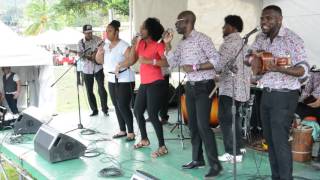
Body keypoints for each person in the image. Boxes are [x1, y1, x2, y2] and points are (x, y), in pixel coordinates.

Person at [248, 5, 309, 180]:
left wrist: (280, 69)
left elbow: (303, 70)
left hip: (284, 95)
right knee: (270, 140)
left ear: (279, 19)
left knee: (280, 141)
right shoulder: (261, 38)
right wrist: (254, 60)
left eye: (269, 18)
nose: (264, 22)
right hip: (265, 93)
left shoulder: (292, 39)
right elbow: (248, 57)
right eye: (262, 18)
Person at [164, 10, 222, 178]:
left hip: (205, 86)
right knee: (193, 126)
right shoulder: (182, 43)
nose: (176, 25)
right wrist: (167, 44)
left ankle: (215, 165)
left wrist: (196, 67)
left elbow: (216, 61)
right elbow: (173, 63)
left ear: (187, 22)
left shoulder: (202, 39)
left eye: (178, 21)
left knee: (204, 126)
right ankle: (197, 159)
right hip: (190, 87)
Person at [117, 18, 168, 158]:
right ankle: (144, 139)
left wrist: (151, 61)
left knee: (152, 114)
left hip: (156, 83)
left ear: (150, 30)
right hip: (145, 83)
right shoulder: (141, 43)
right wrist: (134, 46)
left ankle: (162, 146)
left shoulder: (159, 44)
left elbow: (167, 62)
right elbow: (133, 60)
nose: (140, 30)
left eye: (143, 28)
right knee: (138, 111)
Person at [216, 15, 251, 163]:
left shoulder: (228, 44)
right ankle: (240, 146)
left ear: (232, 27)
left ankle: (233, 153)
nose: (223, 28)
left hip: (229, 89)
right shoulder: (245, 45)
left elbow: (218, 66)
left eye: (225, 25)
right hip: (242, 89)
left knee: (225, 120)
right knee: (234, 119)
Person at [96, 20, 135, 141]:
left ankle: (131, 132)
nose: (107, 33)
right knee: (116, 105)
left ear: (117, 32)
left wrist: (120, 65)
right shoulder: (106, 46)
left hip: (124, 79)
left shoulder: (124, 45)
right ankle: (122, 130)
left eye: (110, 30)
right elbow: (99, 61)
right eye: (106, 31)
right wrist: (99, 52)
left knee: (123, 105)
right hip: (111, 79)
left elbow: (132, 59)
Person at [78, 24, 109, 116]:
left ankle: (105, 109)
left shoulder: (98, 39)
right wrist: (88, 56)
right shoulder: (80, 43)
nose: (89, 34)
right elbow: (81, 56)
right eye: (87, 33)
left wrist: (97, 54)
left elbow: (105, 50)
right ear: (83, 33)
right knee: (89, 90)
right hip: (87, 70)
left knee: (101, 88)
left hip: (98, 68)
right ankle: (94, 110)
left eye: (90, 32)